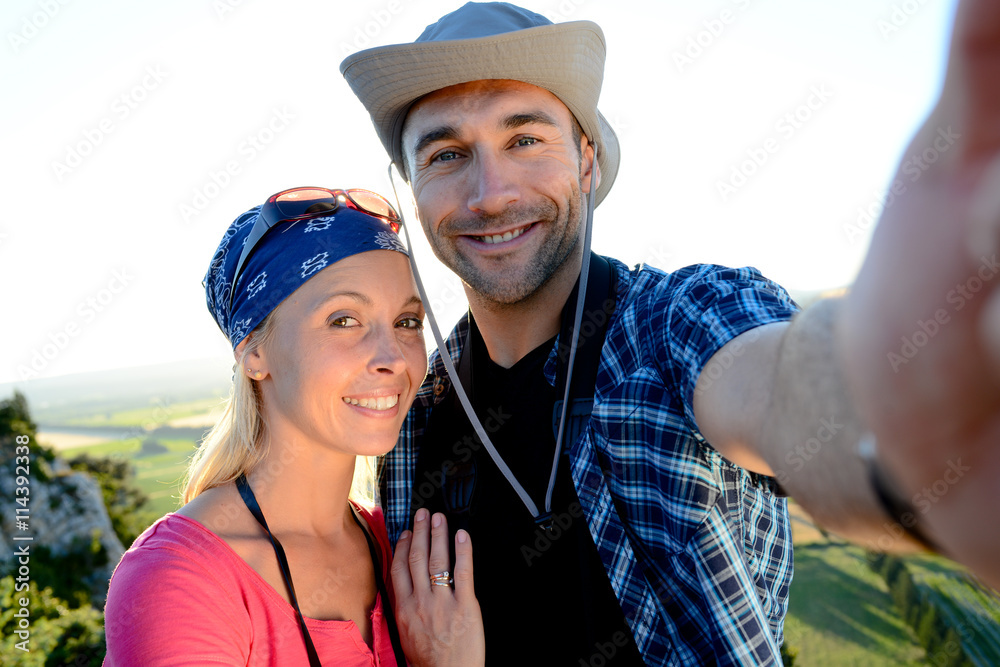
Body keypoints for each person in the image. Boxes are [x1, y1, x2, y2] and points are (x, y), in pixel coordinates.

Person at [340, 2, 1000, 665]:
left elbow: (776, 385)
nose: (489, 191)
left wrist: (906, 422)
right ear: (413, 192)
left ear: (587, 163)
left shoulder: (669, 325)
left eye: (525, 139)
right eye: (448, 153)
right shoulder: (413, 422)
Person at [103, 187, 484, 666]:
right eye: (344, 320)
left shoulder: (403, 545)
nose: (393, 358)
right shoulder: (180, 578)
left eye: (407, 321)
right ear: (254, 352)